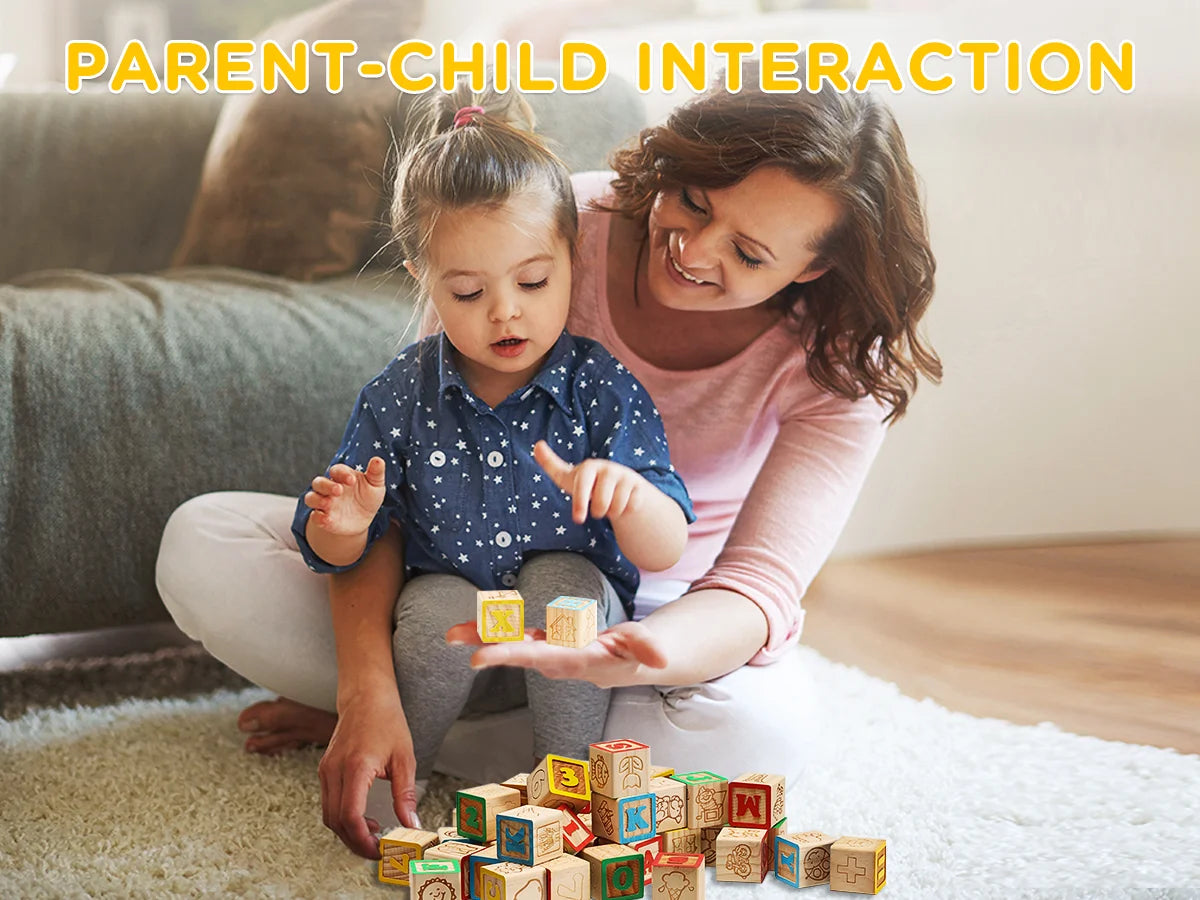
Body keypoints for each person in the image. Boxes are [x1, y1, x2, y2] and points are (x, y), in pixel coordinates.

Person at [155, 55, 941, 861]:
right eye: (694, 201)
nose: (694, 251)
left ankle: (479, 747)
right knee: (202, 543)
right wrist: (367, 687)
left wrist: (636, 656)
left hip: (642, 605)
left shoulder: (844, 365)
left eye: (748, 253)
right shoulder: (539, 226)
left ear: (814, 267)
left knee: (753, 736)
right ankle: (416, 718)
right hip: (444, 584)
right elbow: (405, 486)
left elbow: (755, 591)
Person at [291, 84, 693, 820]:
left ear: (572, 259)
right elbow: (334, 553)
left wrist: (630, 496)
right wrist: (344, 525)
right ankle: (401, 777)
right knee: (431, 612)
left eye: (533, 281)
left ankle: (565, 795)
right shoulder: (400, 392)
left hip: (573, 634)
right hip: (455, 613)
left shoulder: (600, 387)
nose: (506, 311)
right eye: (469, 291)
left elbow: (666, 548)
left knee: (563, 583)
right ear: (425, 282)